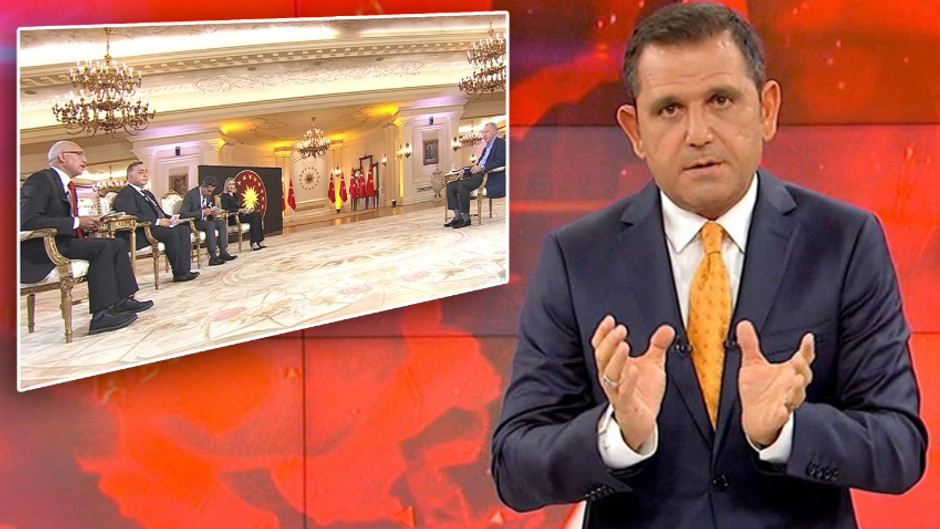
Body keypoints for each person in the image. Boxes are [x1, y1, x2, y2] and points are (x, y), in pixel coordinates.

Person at [490, 4, 926, 529]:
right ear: (634, 130)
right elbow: (514, 466)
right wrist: (617, 435)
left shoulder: (844, 241)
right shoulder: (576, 257)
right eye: (669, 109)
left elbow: (900, 447)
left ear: (767, 109)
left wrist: (787, 431)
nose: (698, 132)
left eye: (721, 100)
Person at [20, 141, 152, 334]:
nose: (85, 159)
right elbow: (26, 221)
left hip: (62, 242)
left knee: (116, 244)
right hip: (42, 249)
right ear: (62, 156)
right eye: (79, 154)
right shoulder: (41, 180)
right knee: (103, 247)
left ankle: (123, 301)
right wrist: (76, 222)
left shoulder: (67, 185)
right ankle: (101, 316)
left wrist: (87, 224)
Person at [113, 161, 199, 282]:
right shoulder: (126, 193)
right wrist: (157, 221)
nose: (145, 175)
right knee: (172, 234)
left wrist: (173, 218)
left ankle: (185, 270)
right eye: (141, 172)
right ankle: (179, 273)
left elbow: (160, 212)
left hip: (155, 228)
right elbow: (130, 215)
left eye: (146, 172)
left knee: (184, 230)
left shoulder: (147, 193)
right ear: (130, 177)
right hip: (140, 232)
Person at [445, 121, 506, 229]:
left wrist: (482, 167)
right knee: (450, 186)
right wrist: (465, 170)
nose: (484, 135)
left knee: (463, 185)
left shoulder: (501, 144)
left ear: (494, 132)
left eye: (486, 132)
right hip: (477, 174)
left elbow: (501, 161)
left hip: (487, 175)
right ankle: (458, 217)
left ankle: (466, 218)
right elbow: (478, 164)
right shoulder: (486, 148)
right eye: (483, 132)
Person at [180, 175, 236, 266]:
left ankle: (223, 253)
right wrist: (202, 213)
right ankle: (213, 257)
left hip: (205, 221)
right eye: (209, 191)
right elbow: (183, 214)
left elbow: (208, 209)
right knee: (210, 225)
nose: (210, 194)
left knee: (221, 223)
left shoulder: (208, 196)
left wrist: (212, 214)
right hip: (194, 223)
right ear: (203, 186)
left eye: (212, 191)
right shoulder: (191, 195)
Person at [220, 177, 265, 251]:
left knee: (257, 214)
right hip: (233, 217)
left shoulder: (236, 195)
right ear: (226, 186)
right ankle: (254, 242)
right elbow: (226, 209)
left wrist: (246, 209)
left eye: (233, 184)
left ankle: (259, 241)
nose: (231, 186)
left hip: (241, 215)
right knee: (255, 216)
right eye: (230, 184)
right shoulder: (224, 196)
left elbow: (240, 206)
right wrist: (238, 210)